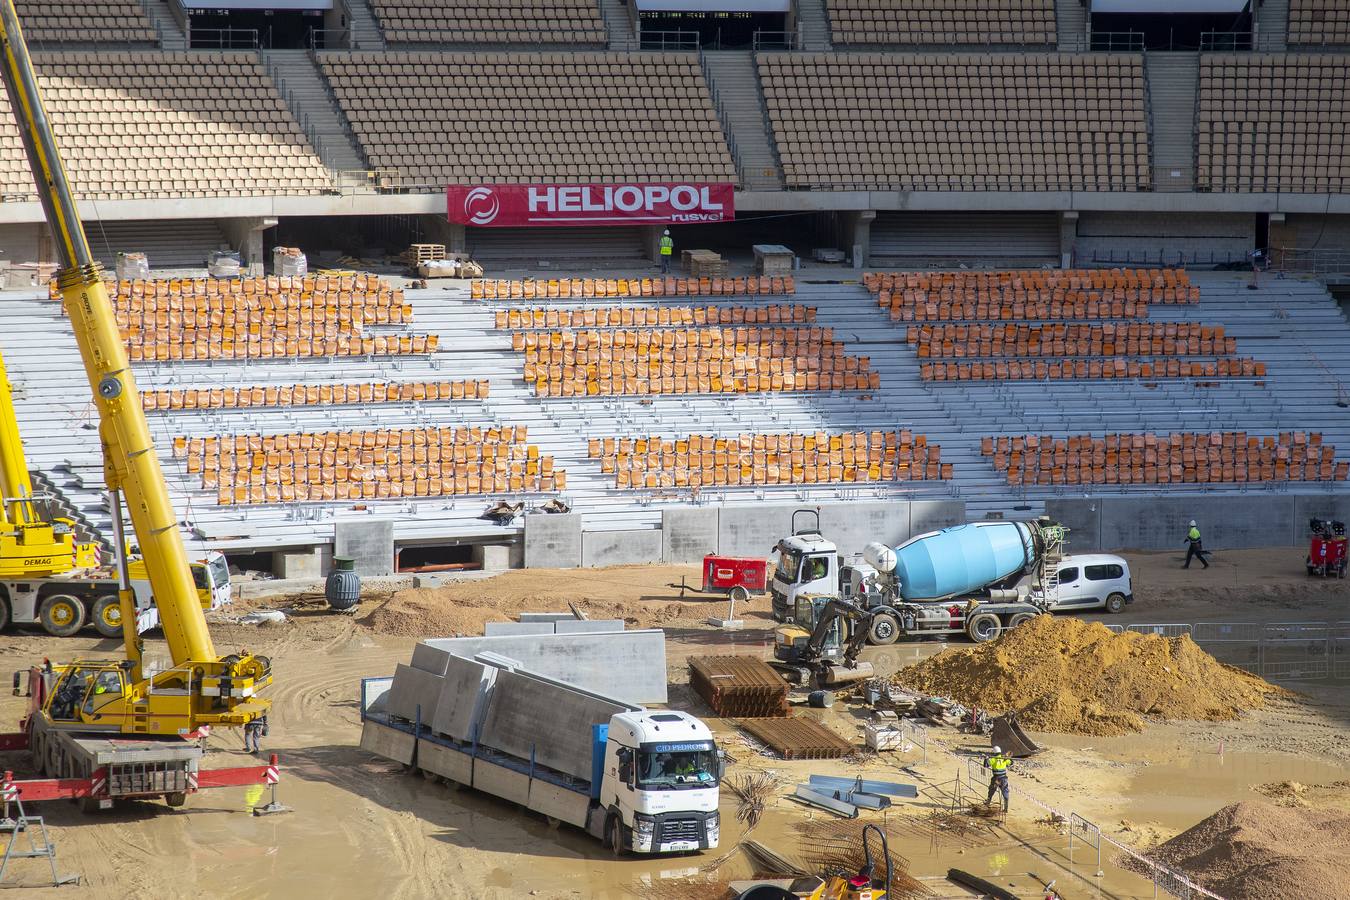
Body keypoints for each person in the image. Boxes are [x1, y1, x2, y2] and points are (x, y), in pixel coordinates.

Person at [984, 746, 1011, 812]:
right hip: (1004, 779)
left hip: (996, 779)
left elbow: (986, 765)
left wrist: (986, 759)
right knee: (1005, 792)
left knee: (991, 790)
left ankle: (988, 802)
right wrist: (1008, 757)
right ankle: (1006, 808)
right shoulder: (1004, 758)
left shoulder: (993, 759)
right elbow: (1011, 763)